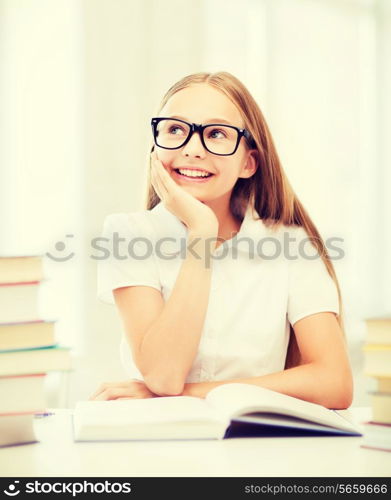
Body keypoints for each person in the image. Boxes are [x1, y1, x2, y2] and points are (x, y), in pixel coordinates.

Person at [91, 71, 353, 409]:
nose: (192, 149)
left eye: (216, 134)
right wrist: (202, 231)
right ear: (155, 147)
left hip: (255, 443)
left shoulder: (293, 245)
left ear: (248, 162)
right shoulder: (128, 234)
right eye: (175, 130)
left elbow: (335, 383)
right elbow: (163, 375)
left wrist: (190, 394)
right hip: (160, 443)